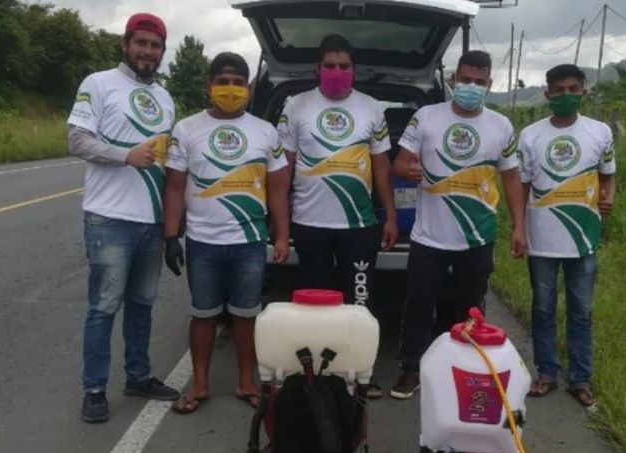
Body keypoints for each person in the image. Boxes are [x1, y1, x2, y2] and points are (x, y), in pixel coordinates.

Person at [390, 50, 527, 400]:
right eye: (465, 80)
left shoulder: (501, 125)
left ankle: (463, 370)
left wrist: (519, 226)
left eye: (479, 82)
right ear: (453, 80)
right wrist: (408, 170)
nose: (471, 87)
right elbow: (399, 164)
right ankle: (411, 369)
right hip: (429, 236)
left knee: (470, 308)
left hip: (477, 235)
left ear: (489, 84)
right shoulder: (426, 116)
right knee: (419, 304)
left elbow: (512, 178)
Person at [162, 52, 290, 413]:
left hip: (249, 243)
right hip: (202, 242)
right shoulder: (186, 129)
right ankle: (199, 385)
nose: (230, 89)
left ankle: (246, 382)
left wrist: (281, 236)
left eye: (237, 82)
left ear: (248, 88)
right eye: (223, 82)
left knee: (246, 316)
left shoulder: (266, 132)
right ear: (210, 86)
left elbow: (278, 190)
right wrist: (170, 237)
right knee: (202, 316)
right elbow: (174, 187)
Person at [68, 13, 180, 423]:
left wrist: (174, 223)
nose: (148, 51)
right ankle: (94, 388)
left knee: (142, 304)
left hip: (151, 219)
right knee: (103, 306)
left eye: (155, 45)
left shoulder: (165, 99)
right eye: (141, 43)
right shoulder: (98, 83)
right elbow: (77, 140)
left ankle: (139, 375)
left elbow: (169, 162)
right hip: (110, 217)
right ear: (125, 44)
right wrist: (124, 156)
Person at [276, 34, 398, 399]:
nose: (337, 71)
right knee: (314, 306)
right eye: (329, 65)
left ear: (354, 70)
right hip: (309, 224)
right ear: (318, 68)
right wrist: (280, 222)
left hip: (359, 226)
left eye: (344, 66)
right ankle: (315, 375)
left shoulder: (372, 108)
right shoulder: (295, 105)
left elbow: (381, 167)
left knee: (359, 305)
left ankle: (360, 375)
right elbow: (284, 167)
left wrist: (391, 216)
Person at [518, 63, 616, 409]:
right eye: (559, 90)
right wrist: (518, 228)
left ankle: (580, 379)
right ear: (547, 94)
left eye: (573, 89)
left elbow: (607, 175)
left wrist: (609, 196)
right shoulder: (530, 135)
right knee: (543, 308)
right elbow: (522, 185)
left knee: (581, 311)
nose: (566, 95)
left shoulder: (600, 132)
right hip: (541, 239)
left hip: (583, 239)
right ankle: (546, 373)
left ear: (583, 92)